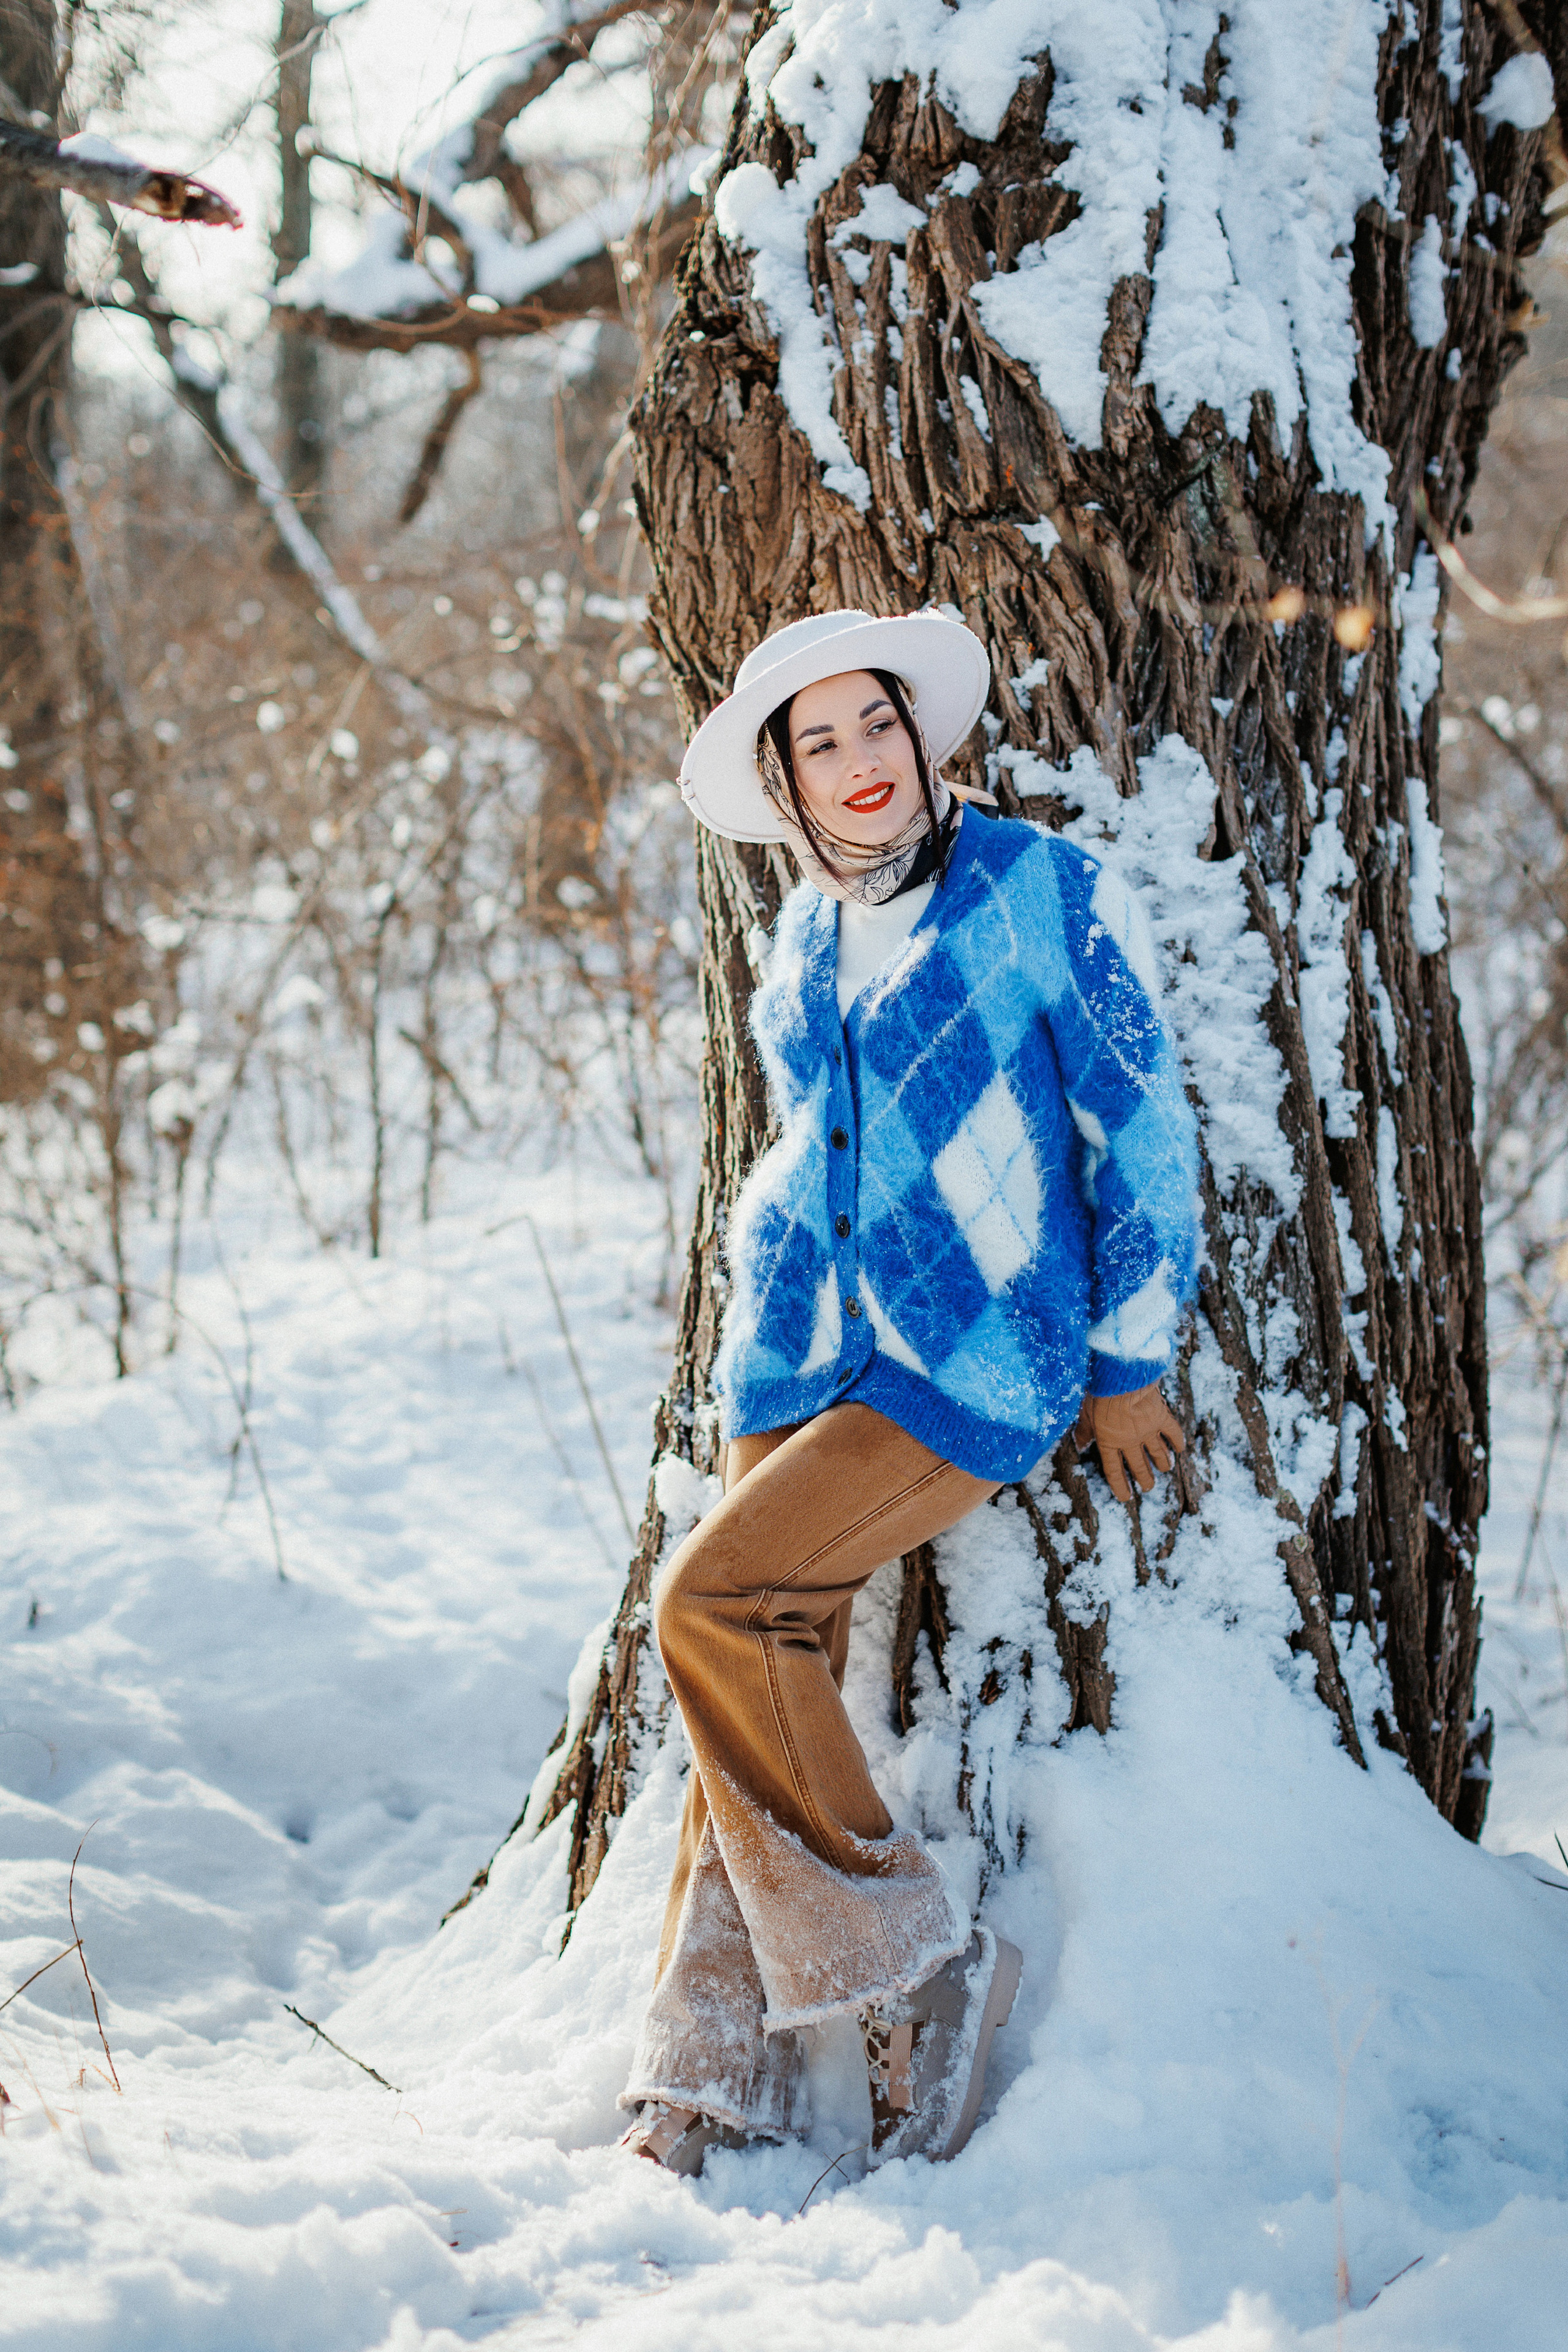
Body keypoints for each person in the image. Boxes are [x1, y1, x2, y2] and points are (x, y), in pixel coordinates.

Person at [617, 608, 1199, 2177]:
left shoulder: (1039, 889)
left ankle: (918, 1976)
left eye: (876, 722)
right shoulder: (806, 933)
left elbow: (1140, 1129)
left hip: (971, 1357)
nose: (860, 760)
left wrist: (1128, 1358)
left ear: (921, 731)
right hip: (797, 1351)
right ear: (787, 784)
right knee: (748, 1681)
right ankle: (704, 2063)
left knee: (710, 1610)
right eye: (819, 743)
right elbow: (812, 1147)